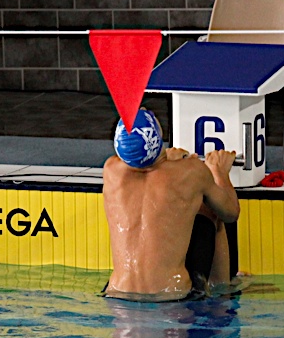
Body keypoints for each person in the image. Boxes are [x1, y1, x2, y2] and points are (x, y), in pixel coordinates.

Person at [102, 109, 241, 302]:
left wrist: (166, 160)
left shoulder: (111, 170)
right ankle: (222, 292)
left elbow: (146, 170)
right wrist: (219, 172)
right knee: (210, 211)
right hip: (172, 297)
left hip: (118, 294)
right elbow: (231, 213)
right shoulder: (191, 171)